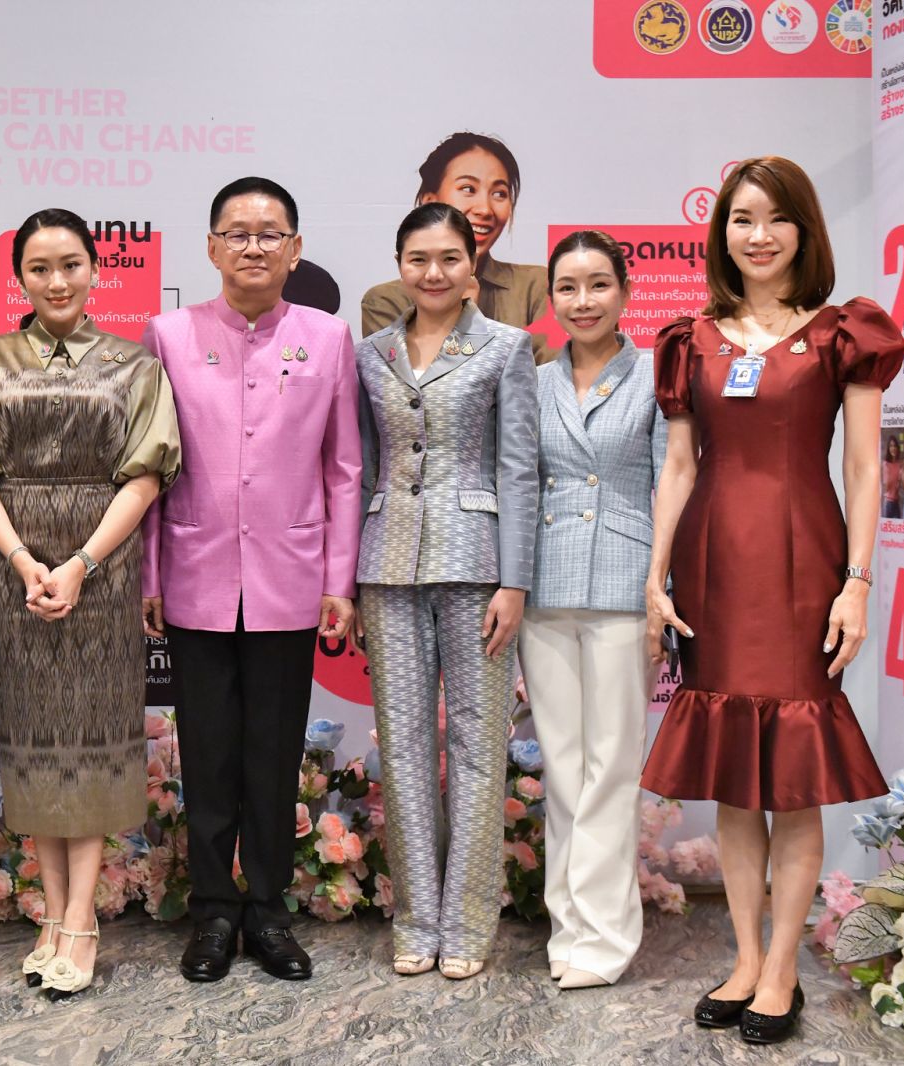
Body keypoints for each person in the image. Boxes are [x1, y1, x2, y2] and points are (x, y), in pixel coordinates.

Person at [641, 156, 902, 1046]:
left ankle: (783, 969)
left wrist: (857, 582)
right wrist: (655, 577)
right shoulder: (691, 339)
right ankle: (746, 959)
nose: (758, 235)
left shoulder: (842, 334)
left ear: (803, 230)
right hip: (712, 566)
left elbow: (863, 469)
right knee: (732, 780)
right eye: (741, 219)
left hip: (805, 567)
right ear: (722, 233)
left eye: (775, 218)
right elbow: (679, 467)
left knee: (791, 779)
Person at [0, 208, 180, 1000]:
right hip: (19, 574)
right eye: (39, 268)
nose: (57, 280)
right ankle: (52, 910)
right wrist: (19, 560)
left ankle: (80, 918)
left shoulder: (134, 366)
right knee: (36, 741)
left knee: (94, 740)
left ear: (96, 270)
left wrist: (79, 564)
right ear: (19, 279)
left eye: (71, 264)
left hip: (102, 572)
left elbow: (146, 477)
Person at [140, 176, 360, 984]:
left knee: (273, 756)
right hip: (195, 573)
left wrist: (340, 578)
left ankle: (268, 912)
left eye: (270, 233)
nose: (254, 246)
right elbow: (150, 467)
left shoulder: (328, 338)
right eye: (237, 232)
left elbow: (344, 468)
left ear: (295, 248)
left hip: (291, 577)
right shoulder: (168, 334)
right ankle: (211, 913)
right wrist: (149, 573)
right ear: (211, 247)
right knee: (207, 757)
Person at [355, 202, 538, 980]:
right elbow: (362, 466)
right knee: (401, 745)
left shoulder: (506, 347)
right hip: (387, 565)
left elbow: (519, 468)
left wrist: (516, 580)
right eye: (418, 259)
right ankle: (416, 918)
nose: (433, 273)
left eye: (449, 259)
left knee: (476, 743)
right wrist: (350, 576)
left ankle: (467, 921)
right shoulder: (370, 354)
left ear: (471, 265)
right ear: (401, 265)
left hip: (478, 566)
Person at [515, 231, 665, 989]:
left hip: (625, 585)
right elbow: (518, 483)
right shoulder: (533, 380)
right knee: (565, 769)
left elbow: (675, 484)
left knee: (612, 768)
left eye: (598, 284)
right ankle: (568, 928)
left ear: (625, 292)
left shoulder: (656, 376)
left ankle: (605, 940)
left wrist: (663, 587)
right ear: (552, 298)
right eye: (568, 288)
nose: (583, 301)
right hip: (544, 587)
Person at [361, 131, 553, 363]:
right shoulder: (386, 301)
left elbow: (546, 378)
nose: (485, 209)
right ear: (430, 202)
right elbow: (403, 383)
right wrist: (461, 323)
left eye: (499, 193)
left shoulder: (534, 286)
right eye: (468, 189)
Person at [882, 436, 902, 518]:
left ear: (897, 448)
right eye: (891, 446)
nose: (893, 448)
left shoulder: (899, 464)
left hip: (896, 502)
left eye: (894, 446)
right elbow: (886, 488)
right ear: (888, 448)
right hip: (888, 502)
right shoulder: (885, 464)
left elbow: (899, 485)